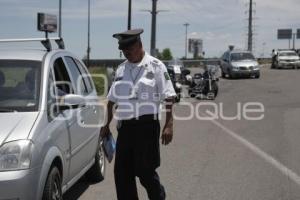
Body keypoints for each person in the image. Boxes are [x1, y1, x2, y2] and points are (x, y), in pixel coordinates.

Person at [100, 28, 176, 200]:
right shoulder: (120, 70)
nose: (126, 52)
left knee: (145, 172)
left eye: (129, 48)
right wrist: (106, 126)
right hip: (125, 129)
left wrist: (169, 124)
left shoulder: (156, 66)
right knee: (122, 174)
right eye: (123, 50)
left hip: (147, 127)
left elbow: (169, 96)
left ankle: (158, 196)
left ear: (139, 45)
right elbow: (112, 100)